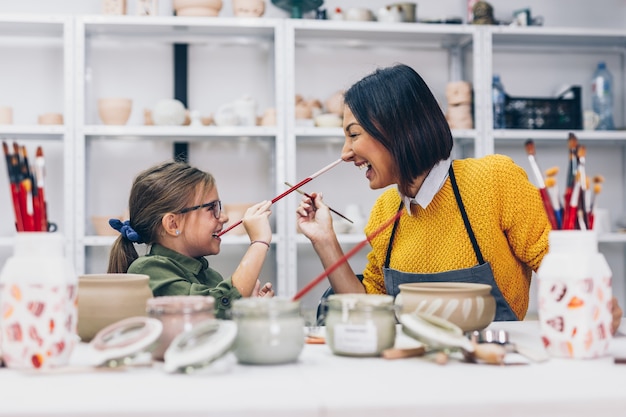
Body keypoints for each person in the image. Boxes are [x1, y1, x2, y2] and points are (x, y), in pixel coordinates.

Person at [296, 63, 623, 333]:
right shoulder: (385, 212)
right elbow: (367, 313)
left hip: (494, 372)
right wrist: (325, 240)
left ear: (399, 127)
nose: (346, 153)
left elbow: (561, 266)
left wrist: (593, 302)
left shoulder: (493, 181)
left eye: (353, 134)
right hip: (414, 373)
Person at [108, 160, 274, 318]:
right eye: (211, 208)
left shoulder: (210, 276)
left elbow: (215, 328)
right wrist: (259, 243)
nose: (223, 218)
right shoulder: (147, 270)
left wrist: (248, 310)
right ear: (173, 224)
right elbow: (209, 312)